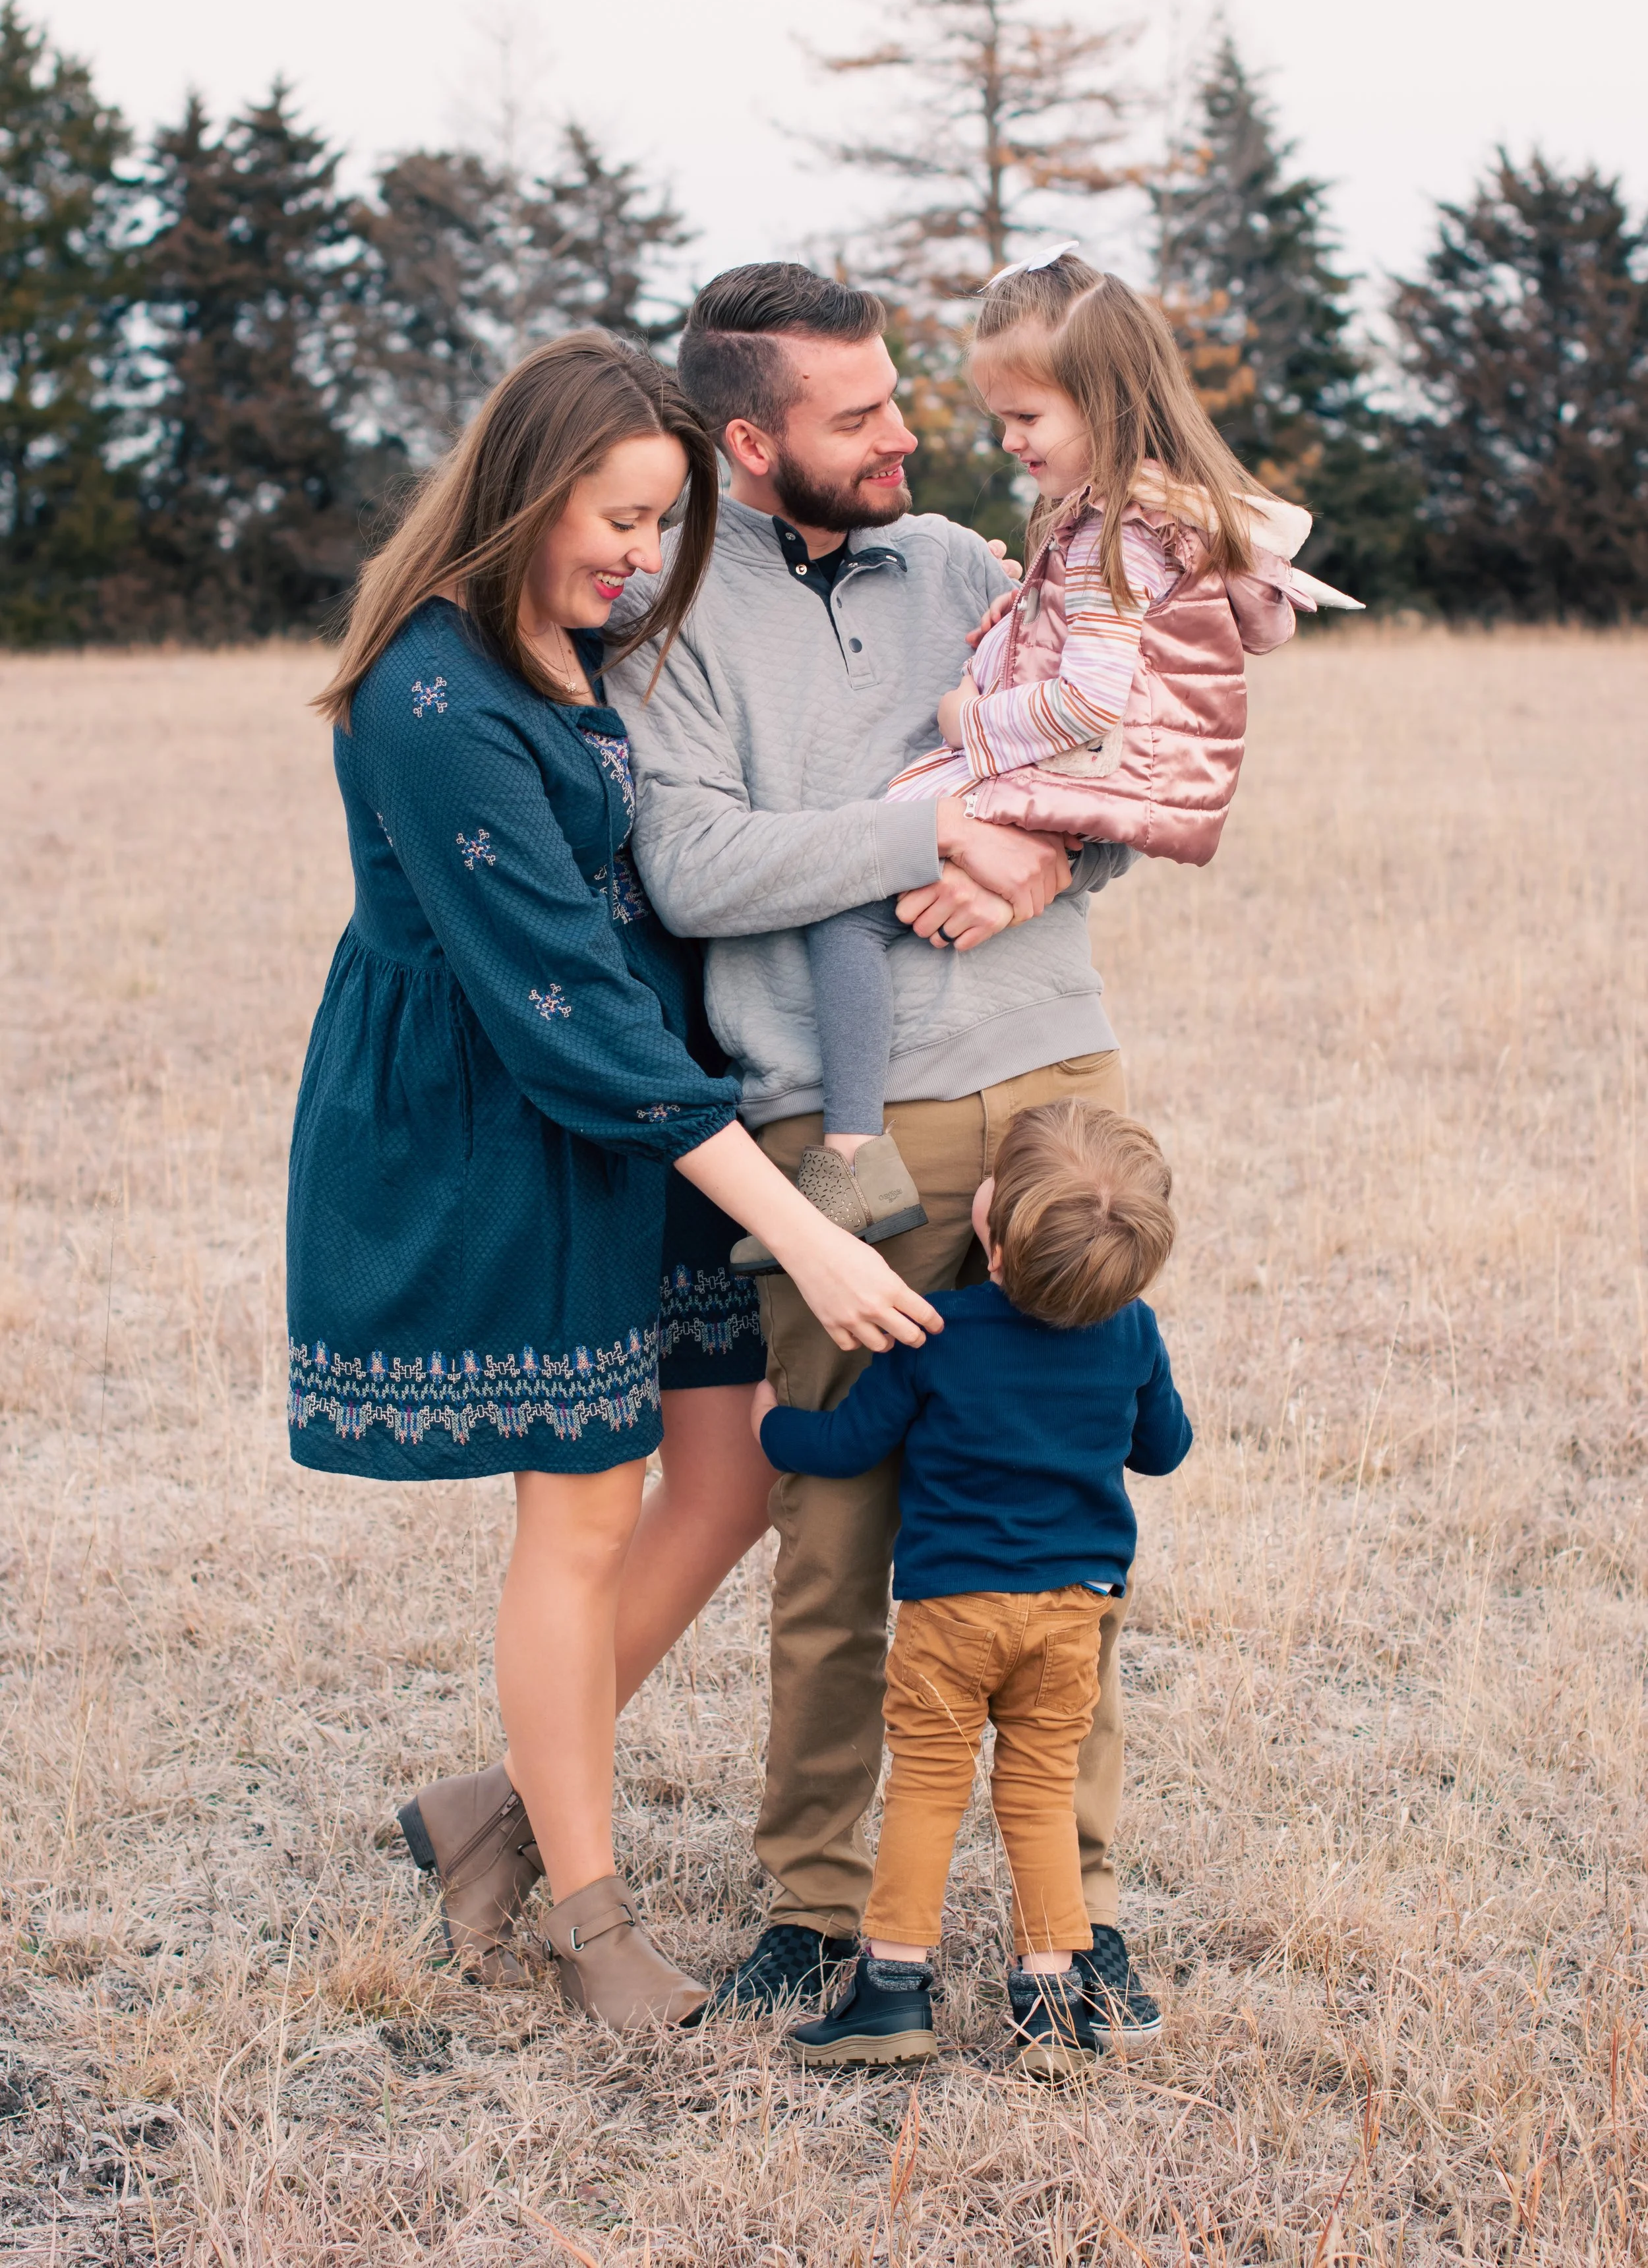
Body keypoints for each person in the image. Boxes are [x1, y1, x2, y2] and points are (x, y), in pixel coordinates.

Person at [285, 332, 940, 2030]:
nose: (643, 560)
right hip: (509, 1121)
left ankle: (487, 1814)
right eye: (622, 519)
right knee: (579, 1511)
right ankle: (582, 1922)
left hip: (645, 1112)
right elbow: (562, 1009)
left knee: (723, 1485)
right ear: (526, 490)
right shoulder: (432, 698)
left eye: (665, 528)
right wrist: (796, 1226)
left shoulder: (585, 649)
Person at [597, 258, 1160, 2034]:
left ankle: (1078, 1907)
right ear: (747, 440)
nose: (907, 432)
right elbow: (694, 867)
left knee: (1056, 1517)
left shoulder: (972, 570)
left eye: (903, 394)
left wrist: (1044, 852)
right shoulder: (669, 626)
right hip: (831, 1130)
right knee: (839, 1527)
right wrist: (928, 815)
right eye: (858, 415)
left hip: (1054, 1077)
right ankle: (818, 1906)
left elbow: (1122, 770)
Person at [785, 249, 1354, 1221]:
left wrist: (971, 717)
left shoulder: (1106, 537)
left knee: (849, 901)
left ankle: (850, 1153)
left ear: (1108, 405)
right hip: (1112, 784)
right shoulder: (1160, 515)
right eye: (1000, 417)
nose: (1007, 440)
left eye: (1026, 417)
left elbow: (1090, 700)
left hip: (1066, 767)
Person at [757, 1101, 1192, 2076]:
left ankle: (894, 1988)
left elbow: (848, 1444)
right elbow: (1166, 1449)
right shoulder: (1132, 1335)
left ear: (991, 1234)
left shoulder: (938, 1332)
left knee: (928, 1789)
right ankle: (1050, 2001)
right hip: (1072, 1612)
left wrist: (771, 1422)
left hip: (954, 1614)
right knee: (1038, 1796)